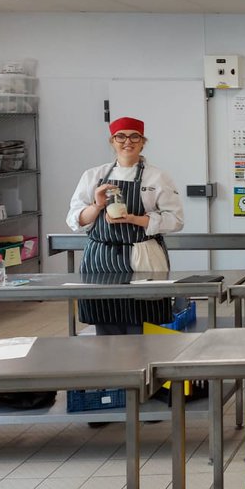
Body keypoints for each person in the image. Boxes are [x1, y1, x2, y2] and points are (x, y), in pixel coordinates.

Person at [66, 116, 185, 334]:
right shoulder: (93, 175)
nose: (127, 142)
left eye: (134, 137)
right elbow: (75, 219)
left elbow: (175, 220)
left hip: (143, 255)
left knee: (143, 323)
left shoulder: (157, 177)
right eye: (120, 136)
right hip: (101, 258)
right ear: (112, 141)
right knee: (105, 322)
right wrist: (97, 205)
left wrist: (134, 219)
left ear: (143, 142)